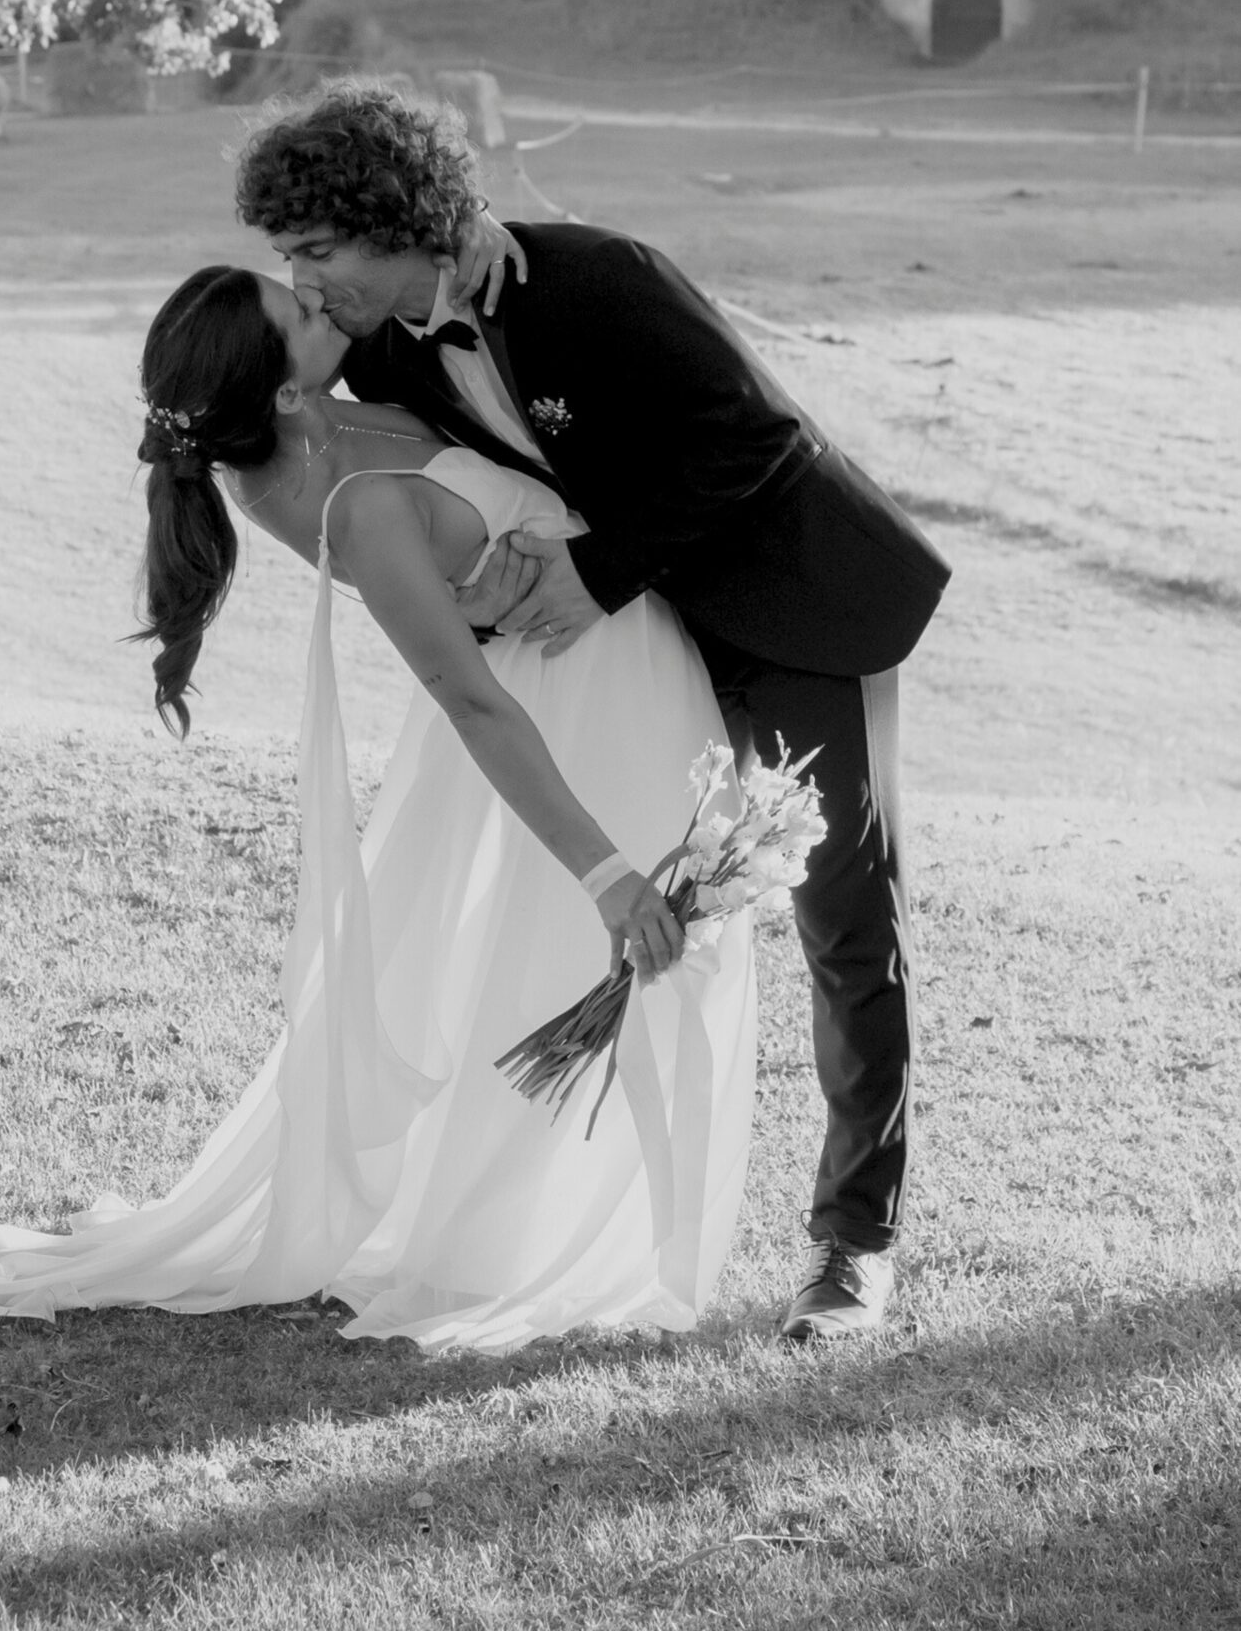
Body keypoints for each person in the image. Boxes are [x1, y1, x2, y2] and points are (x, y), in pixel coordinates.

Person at [0, 259, 758, 1348]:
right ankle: (562, 1235)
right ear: (287, 394)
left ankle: (591, 1221)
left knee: (610, 965)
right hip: (581, 697)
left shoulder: (296, 431)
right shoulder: (357, 507)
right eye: (297, 311)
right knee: (643, 950)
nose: (317, 297)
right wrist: (604, 872)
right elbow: (471, 701)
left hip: (604, 647)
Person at [233, 81, 951, 1344]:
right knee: (622, 904)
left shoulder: (598, 277)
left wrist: (595, 570)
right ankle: (560, 1214)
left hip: (791, 605)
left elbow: (758, 439)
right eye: (288, 252)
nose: (302, 276)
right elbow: (336, 433)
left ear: (395, 217)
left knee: (842, 910)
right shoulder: (390, 346)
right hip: (633, 654)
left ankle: (853, 1247)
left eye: (316, 247)